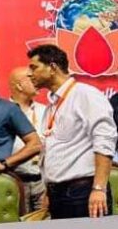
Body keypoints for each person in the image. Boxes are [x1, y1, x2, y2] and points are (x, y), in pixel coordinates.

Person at [27, 45, 117, 219]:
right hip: (57, 194)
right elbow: (52, 151)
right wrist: (48, 189)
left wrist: (99, 188)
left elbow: (105, 140)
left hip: (83, 192)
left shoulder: (85, 94)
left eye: (34, 67)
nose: (30, 74)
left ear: (52, 67)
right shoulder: (51, 106)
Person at [8, 66, 47, 212]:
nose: (36, 80)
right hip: (15, 181)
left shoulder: (45, 110)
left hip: (42, 181)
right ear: (19, 85)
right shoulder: (2, 112)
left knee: (47, 222)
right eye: (30, 78)